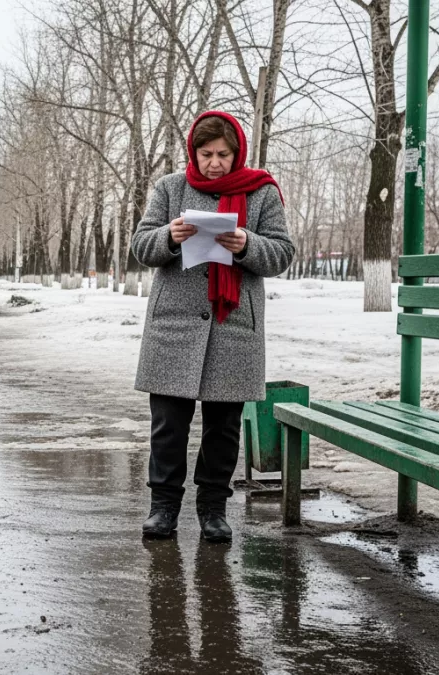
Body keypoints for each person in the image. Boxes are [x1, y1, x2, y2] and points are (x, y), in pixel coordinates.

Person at [130, 111, 293, 543]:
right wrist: (170, 235)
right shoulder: (169, 188)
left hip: (233, 325)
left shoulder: (260, 193)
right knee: (168, 425)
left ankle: (213, 510)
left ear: (237, 152)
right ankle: (162, 507)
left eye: (223, 154)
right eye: (206, 154)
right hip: (175, 326)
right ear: (193, 152)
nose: (215, 163)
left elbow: (282, 252)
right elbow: (141, 246)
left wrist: (247, 245)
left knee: (224, 427)